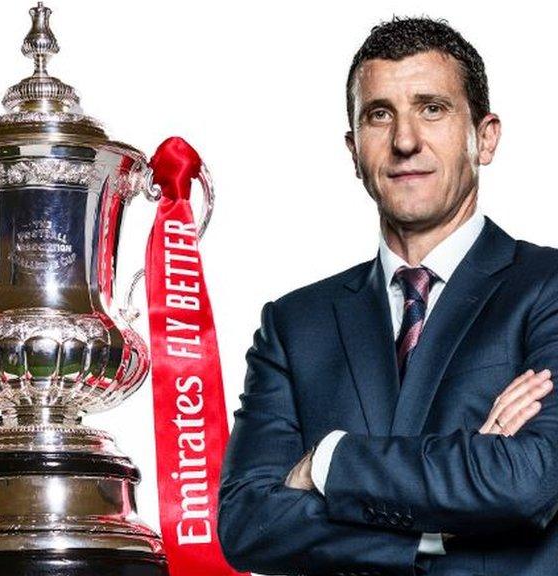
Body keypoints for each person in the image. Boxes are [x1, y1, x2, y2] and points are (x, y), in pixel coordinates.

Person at [218, 18, 558, 576]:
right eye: (380, 114)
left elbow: (530, 481)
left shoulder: (546, 288)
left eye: (432, 108)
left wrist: (327, 461)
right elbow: (248, 525)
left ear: (486, 135)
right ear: (354, 150)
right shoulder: (294, 325)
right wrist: (436, 524)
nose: (405, 140)